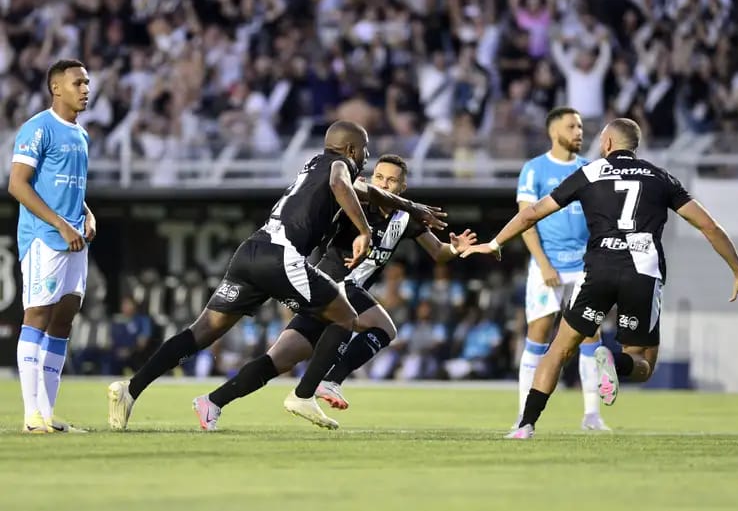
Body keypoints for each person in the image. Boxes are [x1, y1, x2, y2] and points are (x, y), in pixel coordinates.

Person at [107, 122, 447, 431]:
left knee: (203, 332)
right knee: (345, 315)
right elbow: (342, 182)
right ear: (353, 151)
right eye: (366, 152)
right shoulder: (338, 166)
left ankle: (131, 389)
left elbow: (369, 192)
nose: (367, 160)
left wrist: (410, 207)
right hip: (281, 256)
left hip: (252, 251)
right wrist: (363, 231)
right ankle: (305, 394)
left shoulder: (315, 163)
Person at [462, 118, 738, 439]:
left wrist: (494, 243)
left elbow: (532, 212)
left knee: (558, 350)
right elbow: (709, 226)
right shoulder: (661, 177)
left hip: (598, 270)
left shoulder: (590, 172)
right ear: (635, 146)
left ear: (606, 144)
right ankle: (615, 361)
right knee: (642, 363)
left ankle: (525, 426)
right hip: (643, 272)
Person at [191, 154, 477, 430]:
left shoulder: (405, 218)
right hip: (327, 286)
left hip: (335, 296)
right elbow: (344, 189)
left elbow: (438, 252)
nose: (383, 184)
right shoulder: (355, 205)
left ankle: (212, 402)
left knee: (279, 360)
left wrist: (456, 248)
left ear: (402, 188)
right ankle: (322, 384)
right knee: (384, 327)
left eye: (391, 181)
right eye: (379, 176)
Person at [8, 59, 93, 434]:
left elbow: (70, 188)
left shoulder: (81, 135)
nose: (86, 89)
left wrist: (87, 214)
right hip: (45, 238)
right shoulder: (38, 128)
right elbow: (18, 184)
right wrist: (59, 223)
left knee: (64, 319)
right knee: (37, 317)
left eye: (87, 83)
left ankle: (47, 412)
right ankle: (31, 416)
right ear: (56, 88)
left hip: (76, 238)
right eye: (78, 83)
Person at [514, 106, 609, 433]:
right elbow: (526, 221)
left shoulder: (591, 169)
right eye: (572, 126)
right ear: (554, 132)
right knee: (538, 338)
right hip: (547, 267)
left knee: (589, 336)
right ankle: (523, 416)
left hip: (584, 267)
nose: (579, 132)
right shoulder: (534, 169)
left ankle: (592, 415)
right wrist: (543, 264)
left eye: (581, 126)